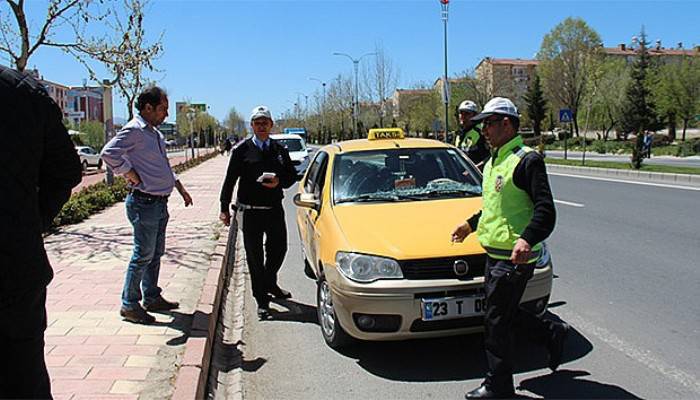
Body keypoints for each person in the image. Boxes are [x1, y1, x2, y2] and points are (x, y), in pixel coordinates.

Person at [450, 97, 569, 399]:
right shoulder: (493, 162)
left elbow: (545, 210)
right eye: (482, 124)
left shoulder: (526, 160)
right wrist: (470, 224)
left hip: (514, 258)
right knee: (505, 313)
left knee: (495, 322)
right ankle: (550, 332)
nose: (484, 130)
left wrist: (527, 239)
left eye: (488, 123)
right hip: (495, 254)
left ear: (506, 123)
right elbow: (496, 210)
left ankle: (498, 385)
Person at [0, 65, 82, 399]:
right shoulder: (23, 91)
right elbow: (65, 171)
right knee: (23, 379)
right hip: (14, 268)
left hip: (15, 271)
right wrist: (29, 224)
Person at [101, 86, 193, 324]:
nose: (166, 115)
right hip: (144, 203)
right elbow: (109, 153)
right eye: (163, 109)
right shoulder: (134, 130)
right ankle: (129, 304)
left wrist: (180, 188)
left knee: (155, 254)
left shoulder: (154, 134)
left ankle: (151, 296)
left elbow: (163, 167)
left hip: (159, 203)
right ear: (148, 107)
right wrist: (128, 172)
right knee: (142, 254)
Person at [219, 106, 297, 319]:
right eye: (257, 123)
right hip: (250, 212)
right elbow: (230, 181)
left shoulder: (279, 150)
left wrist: (279, 181)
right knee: (255, 257)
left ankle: (269, 282)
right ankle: (262, 301)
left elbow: (291, 177)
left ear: (271, 125)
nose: (261, 126)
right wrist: (224, 208)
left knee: (279, 250)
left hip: (273, 210)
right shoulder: (241, 151)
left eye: (265, 123)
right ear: (252, 126)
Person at [455, 100, 490, 169]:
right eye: (461, 113)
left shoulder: (482, 132)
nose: (463, 116)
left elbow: (491, 156)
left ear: (475, 116)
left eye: (467, 113)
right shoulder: (459, 133)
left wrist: (475, 169)